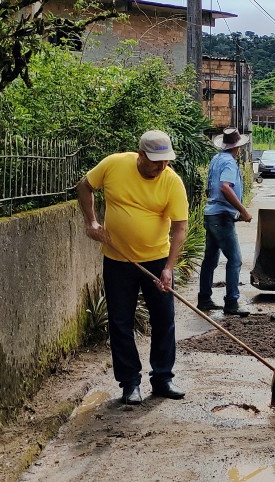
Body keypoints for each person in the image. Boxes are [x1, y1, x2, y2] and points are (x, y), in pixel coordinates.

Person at [77, 130, 190, 405]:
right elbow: (84, 186)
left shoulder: (171, 182)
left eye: (165, 161)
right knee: (120, 322)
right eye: (155, 161)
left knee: (163, 320)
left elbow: (180, 227)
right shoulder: (114, 164)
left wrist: (169, 268)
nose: (161, 167)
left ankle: (163, 379)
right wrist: (91, 223)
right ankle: (129, 383)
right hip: (118, 260)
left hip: (156, 260)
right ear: (140, 156)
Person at [197, 128, 253, 316]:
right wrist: (243, 210)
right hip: (221, 216)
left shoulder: (216, 160)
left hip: (211, 214)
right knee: (235, 260)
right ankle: (231, 303)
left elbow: (209, 189)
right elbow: (225, 187)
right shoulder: (229, 163)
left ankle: (204, 299)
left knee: (210, 259)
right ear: (237, 147)